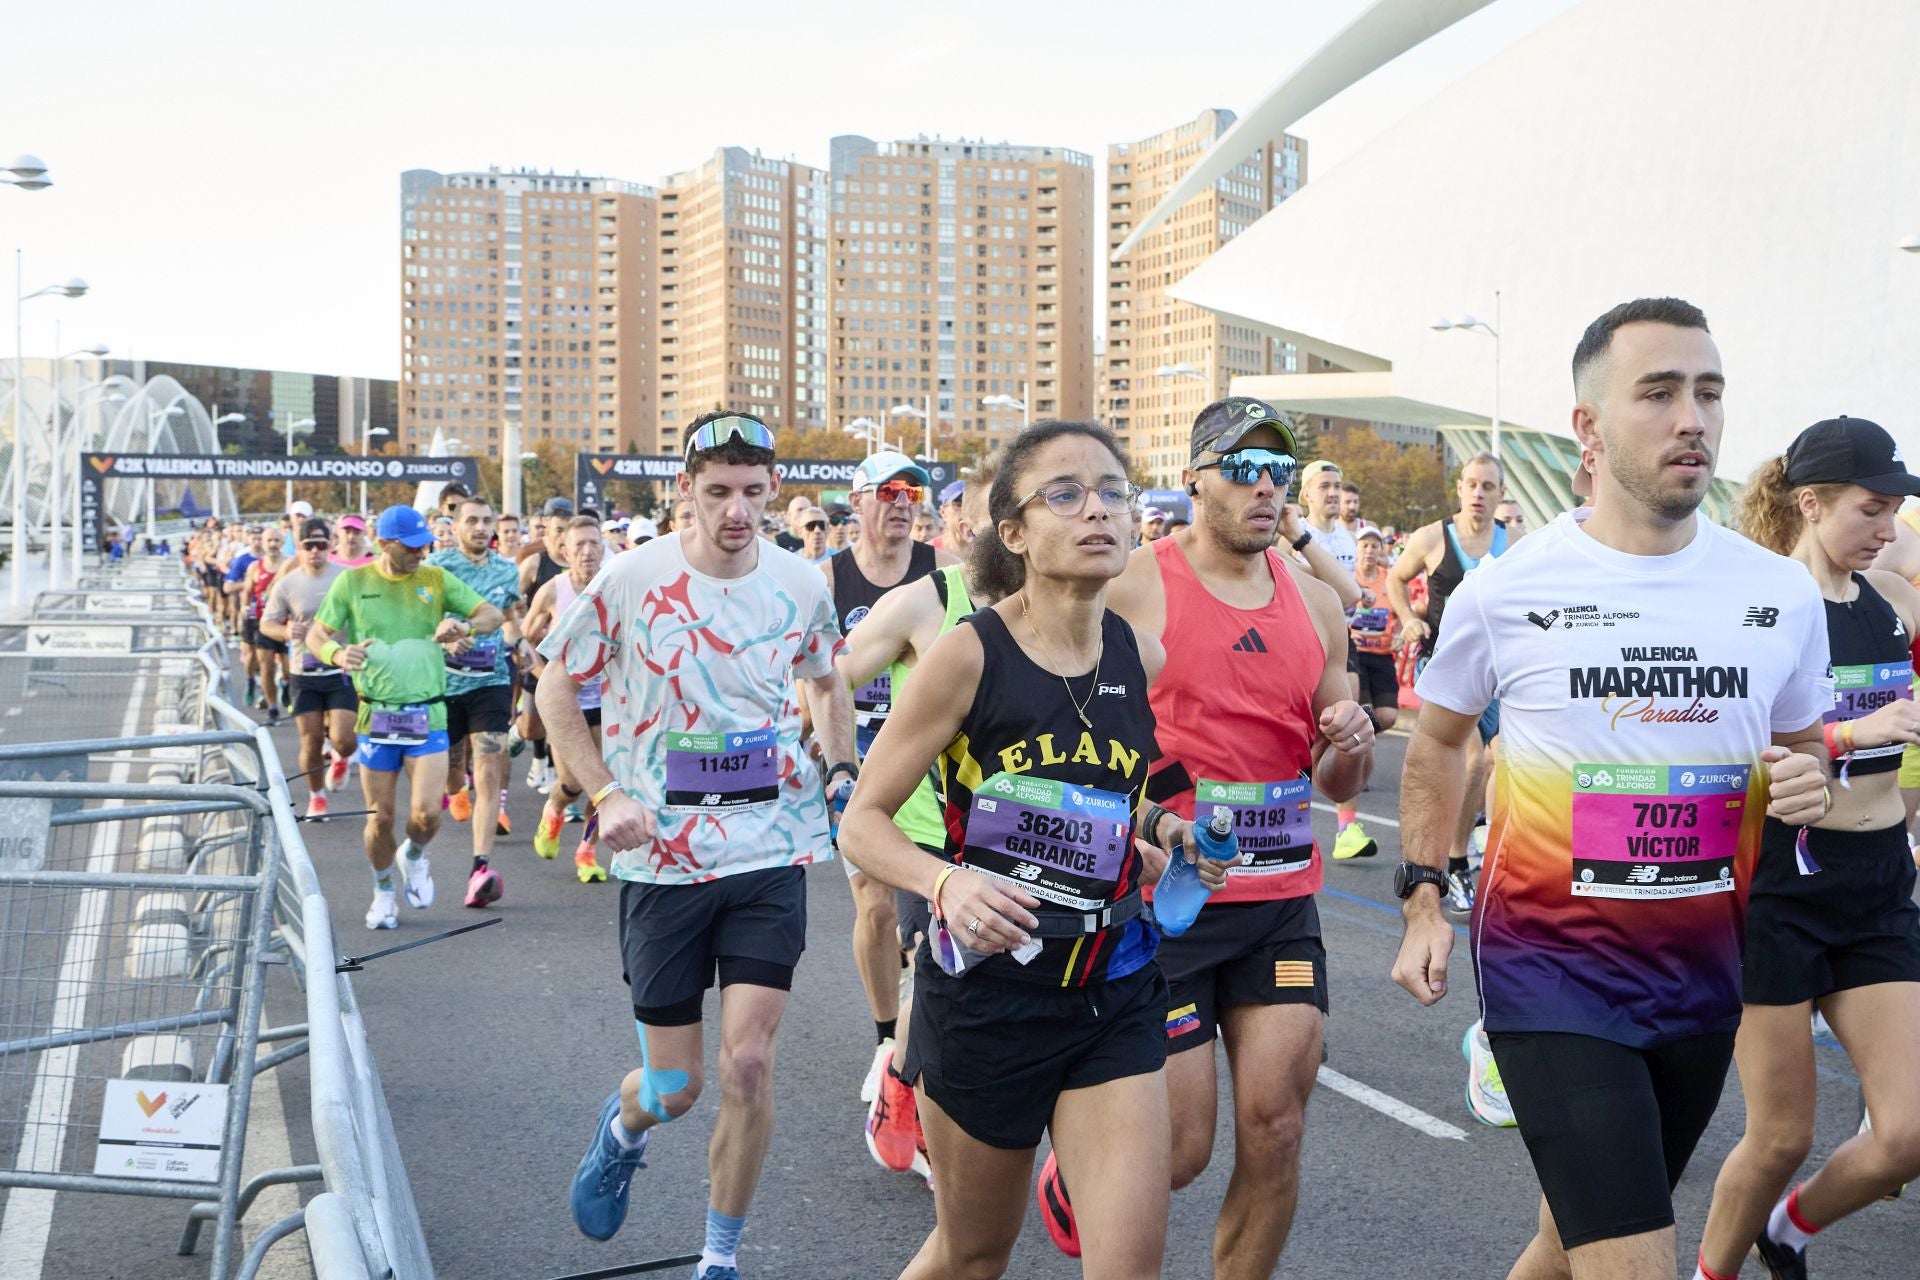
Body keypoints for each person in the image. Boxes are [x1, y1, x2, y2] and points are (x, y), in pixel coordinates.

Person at [1392, 297, 1833, 1280]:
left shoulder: (1779, 594)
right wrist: (1423, 891)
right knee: (1634, 1258)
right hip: (1552, 971)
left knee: (1574, 1239)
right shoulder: (1511, 587)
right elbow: (1439, 738)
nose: (1694, 417)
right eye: (1661, 392)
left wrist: (1804, 775)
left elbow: (1802, 746)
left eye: (1710, 393)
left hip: (1703, 972)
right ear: (1587, 426)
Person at [841, 420, 1194, 1280]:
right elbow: (864, 821)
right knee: (972, 1255)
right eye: (1064, 495)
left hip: (1111, 985)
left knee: (1130, 1267)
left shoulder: (1136, 652)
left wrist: (1163, 831)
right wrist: (947, 883)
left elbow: (1116, 787)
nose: (1098, 511)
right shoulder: (968, 655)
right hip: (990, 999)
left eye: (1114, 492)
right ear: (1014, 533)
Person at [1035, 398, 1371, 1278]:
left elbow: (1338, 787)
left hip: (1280, 900)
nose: (1264, 487)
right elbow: (1055, 696)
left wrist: (1349, 746)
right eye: (1243, 468)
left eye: (1279, 472)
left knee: (1278, 1126)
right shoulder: (1137, 582)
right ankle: (1079, 1175)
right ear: (1194, 479)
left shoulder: (1318, 607)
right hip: (1169, 900)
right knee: (1180, 1149)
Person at [543, 412, 853, 1280]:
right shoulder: (633, 579)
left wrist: (839, 768)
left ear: (774, 493)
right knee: (676, 1088)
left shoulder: (800, 584)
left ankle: (719, 1259)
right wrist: (603, 794)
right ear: (684, 491)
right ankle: (623, 1126)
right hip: (662, 861)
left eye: (753, 493)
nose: (736, 511)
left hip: (768, 850)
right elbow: (556, 683)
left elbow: (828, 682)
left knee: (749, 1062)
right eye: (717, 492)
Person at [1694, 417, 1920, 1280]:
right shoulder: (1759, 608)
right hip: (1782, 886)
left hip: (1876, 881)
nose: (1887, 529)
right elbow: (1727, 743)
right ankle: (1711, 1274)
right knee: (1781, 1133)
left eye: (1895, 511)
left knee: (1905, 1133)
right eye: (1871, 509)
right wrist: (1861, 726)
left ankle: (1788, 1231)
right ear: (1811, 502)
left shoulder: (1895, 605)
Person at [835, 452, 1003, 1183]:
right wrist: (842, 761)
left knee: (980, 984)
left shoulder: (1070, 602)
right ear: (965, 522)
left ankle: (911, 1065)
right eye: (994, 510)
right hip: (923, 826)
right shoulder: (925, 599)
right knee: (933, 965)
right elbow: (827, 676)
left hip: (1026, 832)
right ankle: (904, 1073)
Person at [821, 450, 953, 1105]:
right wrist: (824, 755)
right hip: (857, 762)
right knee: (875, 906)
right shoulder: (829, 579)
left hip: (928, 766)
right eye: (890, 491)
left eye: (914, 492)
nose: (904, 502)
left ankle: (913, 1037)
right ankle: (886, 1037)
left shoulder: (942, 575)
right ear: (858, 501)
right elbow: (813, 677)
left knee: (926, 923)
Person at [305, 504, 504, 930]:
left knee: (429, 814)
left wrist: (464, 629)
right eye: (411, 547)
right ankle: (382, 890)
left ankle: (413, 856)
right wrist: (337, 653)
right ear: (384, 544)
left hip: (427, 714)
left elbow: (492, 614)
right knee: (380, 819)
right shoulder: (353, 582)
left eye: (424, 544)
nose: (420, 552)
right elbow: (315, 633)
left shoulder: (434, 578)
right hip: (377, 715)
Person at [1385, 452, 1514, 911]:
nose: (1479, 494)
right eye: (1472, 485)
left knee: (1499, 760)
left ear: (1500, 494)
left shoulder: (1513, 540)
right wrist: (1406, 620)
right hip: (1446, 665)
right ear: (1460, 488)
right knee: (1474, 760)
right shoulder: (1431, 537)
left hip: (1498, 674)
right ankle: (1455, 862)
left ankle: (1473, 852)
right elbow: (1396, 579)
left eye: (1488, 487)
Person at [429, 497, 530, 907]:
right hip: (444, 683)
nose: (481, 527)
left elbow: (509, 615)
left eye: (487, 521)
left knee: (489, 766)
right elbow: (423, 620)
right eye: (472, 521)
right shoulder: (438, 570)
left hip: (491, 680)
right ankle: (456, 790)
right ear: (454, 527)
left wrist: (521, 641)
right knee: (453, 771)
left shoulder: (507, 568)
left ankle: (480, 867)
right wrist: (445, 630)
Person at [525, 516, 611, 882]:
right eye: (580, 545)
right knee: (573, 780)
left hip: (607, 699)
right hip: (568, 703)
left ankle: (587, 852)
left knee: (604, 783)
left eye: (594, 543)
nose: (588, 551)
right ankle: (555, 809)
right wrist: (544, 678)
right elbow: (526, 638)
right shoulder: (553, 590)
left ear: (603, 548)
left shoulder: (613, 586)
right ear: (565, 551)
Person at [262, 516, 357, 817]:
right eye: (308, 546)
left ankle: (342, 757)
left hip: (340, 669)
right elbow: (267, 623)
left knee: (344, 737)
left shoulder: (346, 578)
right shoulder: (287, 584)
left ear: (330, 545)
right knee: (311, 740)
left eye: (321, 544)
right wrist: (286, 631)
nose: (315, 551)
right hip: (304, 672)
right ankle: (317, 797)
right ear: (299, 549)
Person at [1334, 523, 1397, 862]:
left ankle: (1354, 761)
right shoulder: (1345, 576)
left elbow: (1399, 610)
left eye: (1375, 546)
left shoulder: (1389, 578)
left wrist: (1403, 628)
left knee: (1386, 717)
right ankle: (1346, 826)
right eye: (1365, 546)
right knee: (1361, 717)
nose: (1370, 551)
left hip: (1383, 656)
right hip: (1353, 653)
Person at [517, 502, 574, 792]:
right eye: (557, 531)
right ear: (546, 533)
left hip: (567, 659)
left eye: (567, 531)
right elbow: (512, 606)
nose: (563, 538)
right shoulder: (534, 564)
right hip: (536, 649)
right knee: (531, 727)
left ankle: (553, 771)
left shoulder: (581, 564)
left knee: (561, 718)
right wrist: (527, 628)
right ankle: (528, 744)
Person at [224, 525, 268, 706]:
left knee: (267, 657)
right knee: (251, 654)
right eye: (254, 538)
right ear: (248, 539)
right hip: (250, 610)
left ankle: (266, 694)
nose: (257, 542)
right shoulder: (242, 560)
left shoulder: (274, 558)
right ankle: (250, 680)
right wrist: (249, 584)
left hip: (270, 613)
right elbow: (227, 587)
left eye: (260, 538)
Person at [1297, 460, 1358, 577]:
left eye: (1337, 486)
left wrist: (1363, 589)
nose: (1333, 493)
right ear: (1307, 494)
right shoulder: (1293, 536)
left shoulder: (1351, 538)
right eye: (1324, 486)